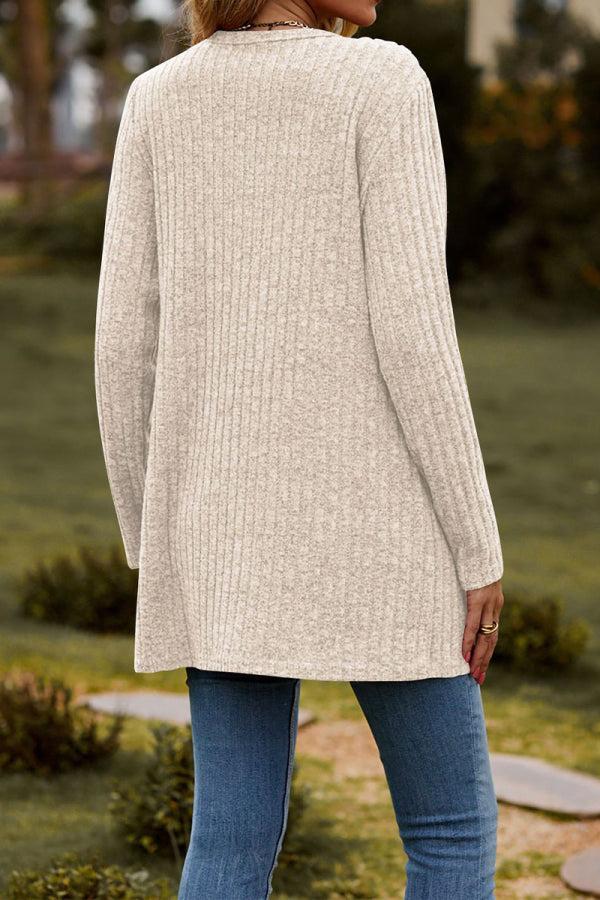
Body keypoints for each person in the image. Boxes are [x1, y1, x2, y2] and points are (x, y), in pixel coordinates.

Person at [94, 1, 505, 897]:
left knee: (229, 844)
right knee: (449, 829)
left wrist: (155, 546)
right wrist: (478, 547)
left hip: (218, 538)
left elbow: (122, 349)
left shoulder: (157, 97)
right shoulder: (380, 79)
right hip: (383, 539)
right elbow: (414, 328)